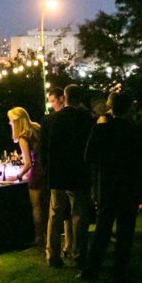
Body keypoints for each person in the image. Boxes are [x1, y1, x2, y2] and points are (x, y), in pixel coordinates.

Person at [79, 93, 142, 283]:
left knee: (102, 229)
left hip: (108, 185)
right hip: (129, 185)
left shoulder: (101, 129)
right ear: (129, 108)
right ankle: (119, 273)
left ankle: (91, 269)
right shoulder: (135, 131)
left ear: (110, 107)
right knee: (125, 231)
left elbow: (88, 156)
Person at [41, 84, 95, 269]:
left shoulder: (51, 120)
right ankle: (79, 254)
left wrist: (47, 169)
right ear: (79, 99)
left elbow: (43, 150)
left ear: (64, 97)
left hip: (57, 173)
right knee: (79, 215)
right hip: (79, 172)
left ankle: (53, 255)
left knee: (55, 214)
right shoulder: (87, 119)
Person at [6, 107, 46, 246]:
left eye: (11, 121)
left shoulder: (24, 136)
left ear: (17, 121)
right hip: (47, 169)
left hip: (37, 173)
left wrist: (18, 175)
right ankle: (48, 233)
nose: (9, 123)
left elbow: (28, 164)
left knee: (36, 207)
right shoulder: (36, 127)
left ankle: (39, 236)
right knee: (46, 205)